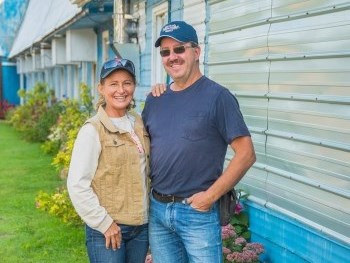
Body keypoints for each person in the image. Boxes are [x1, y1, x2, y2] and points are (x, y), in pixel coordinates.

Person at [142, 20, 256, 263]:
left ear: (196, 51)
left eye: (179, 49)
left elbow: (246, 154)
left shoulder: (218, 97)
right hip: (158, 210)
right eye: (165, 52)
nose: (172, 57)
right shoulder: (155, 99)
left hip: (196, 213)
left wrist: (209, 197)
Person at [67, 58, 150, 263]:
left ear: (134, 86)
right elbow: (77, 185)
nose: (121, 90)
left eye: (127, 83)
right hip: (109, 230)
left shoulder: (139, 123)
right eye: (113, 84)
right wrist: (104, 223)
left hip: (141, 228)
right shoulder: (92, 130)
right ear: (101, 88)